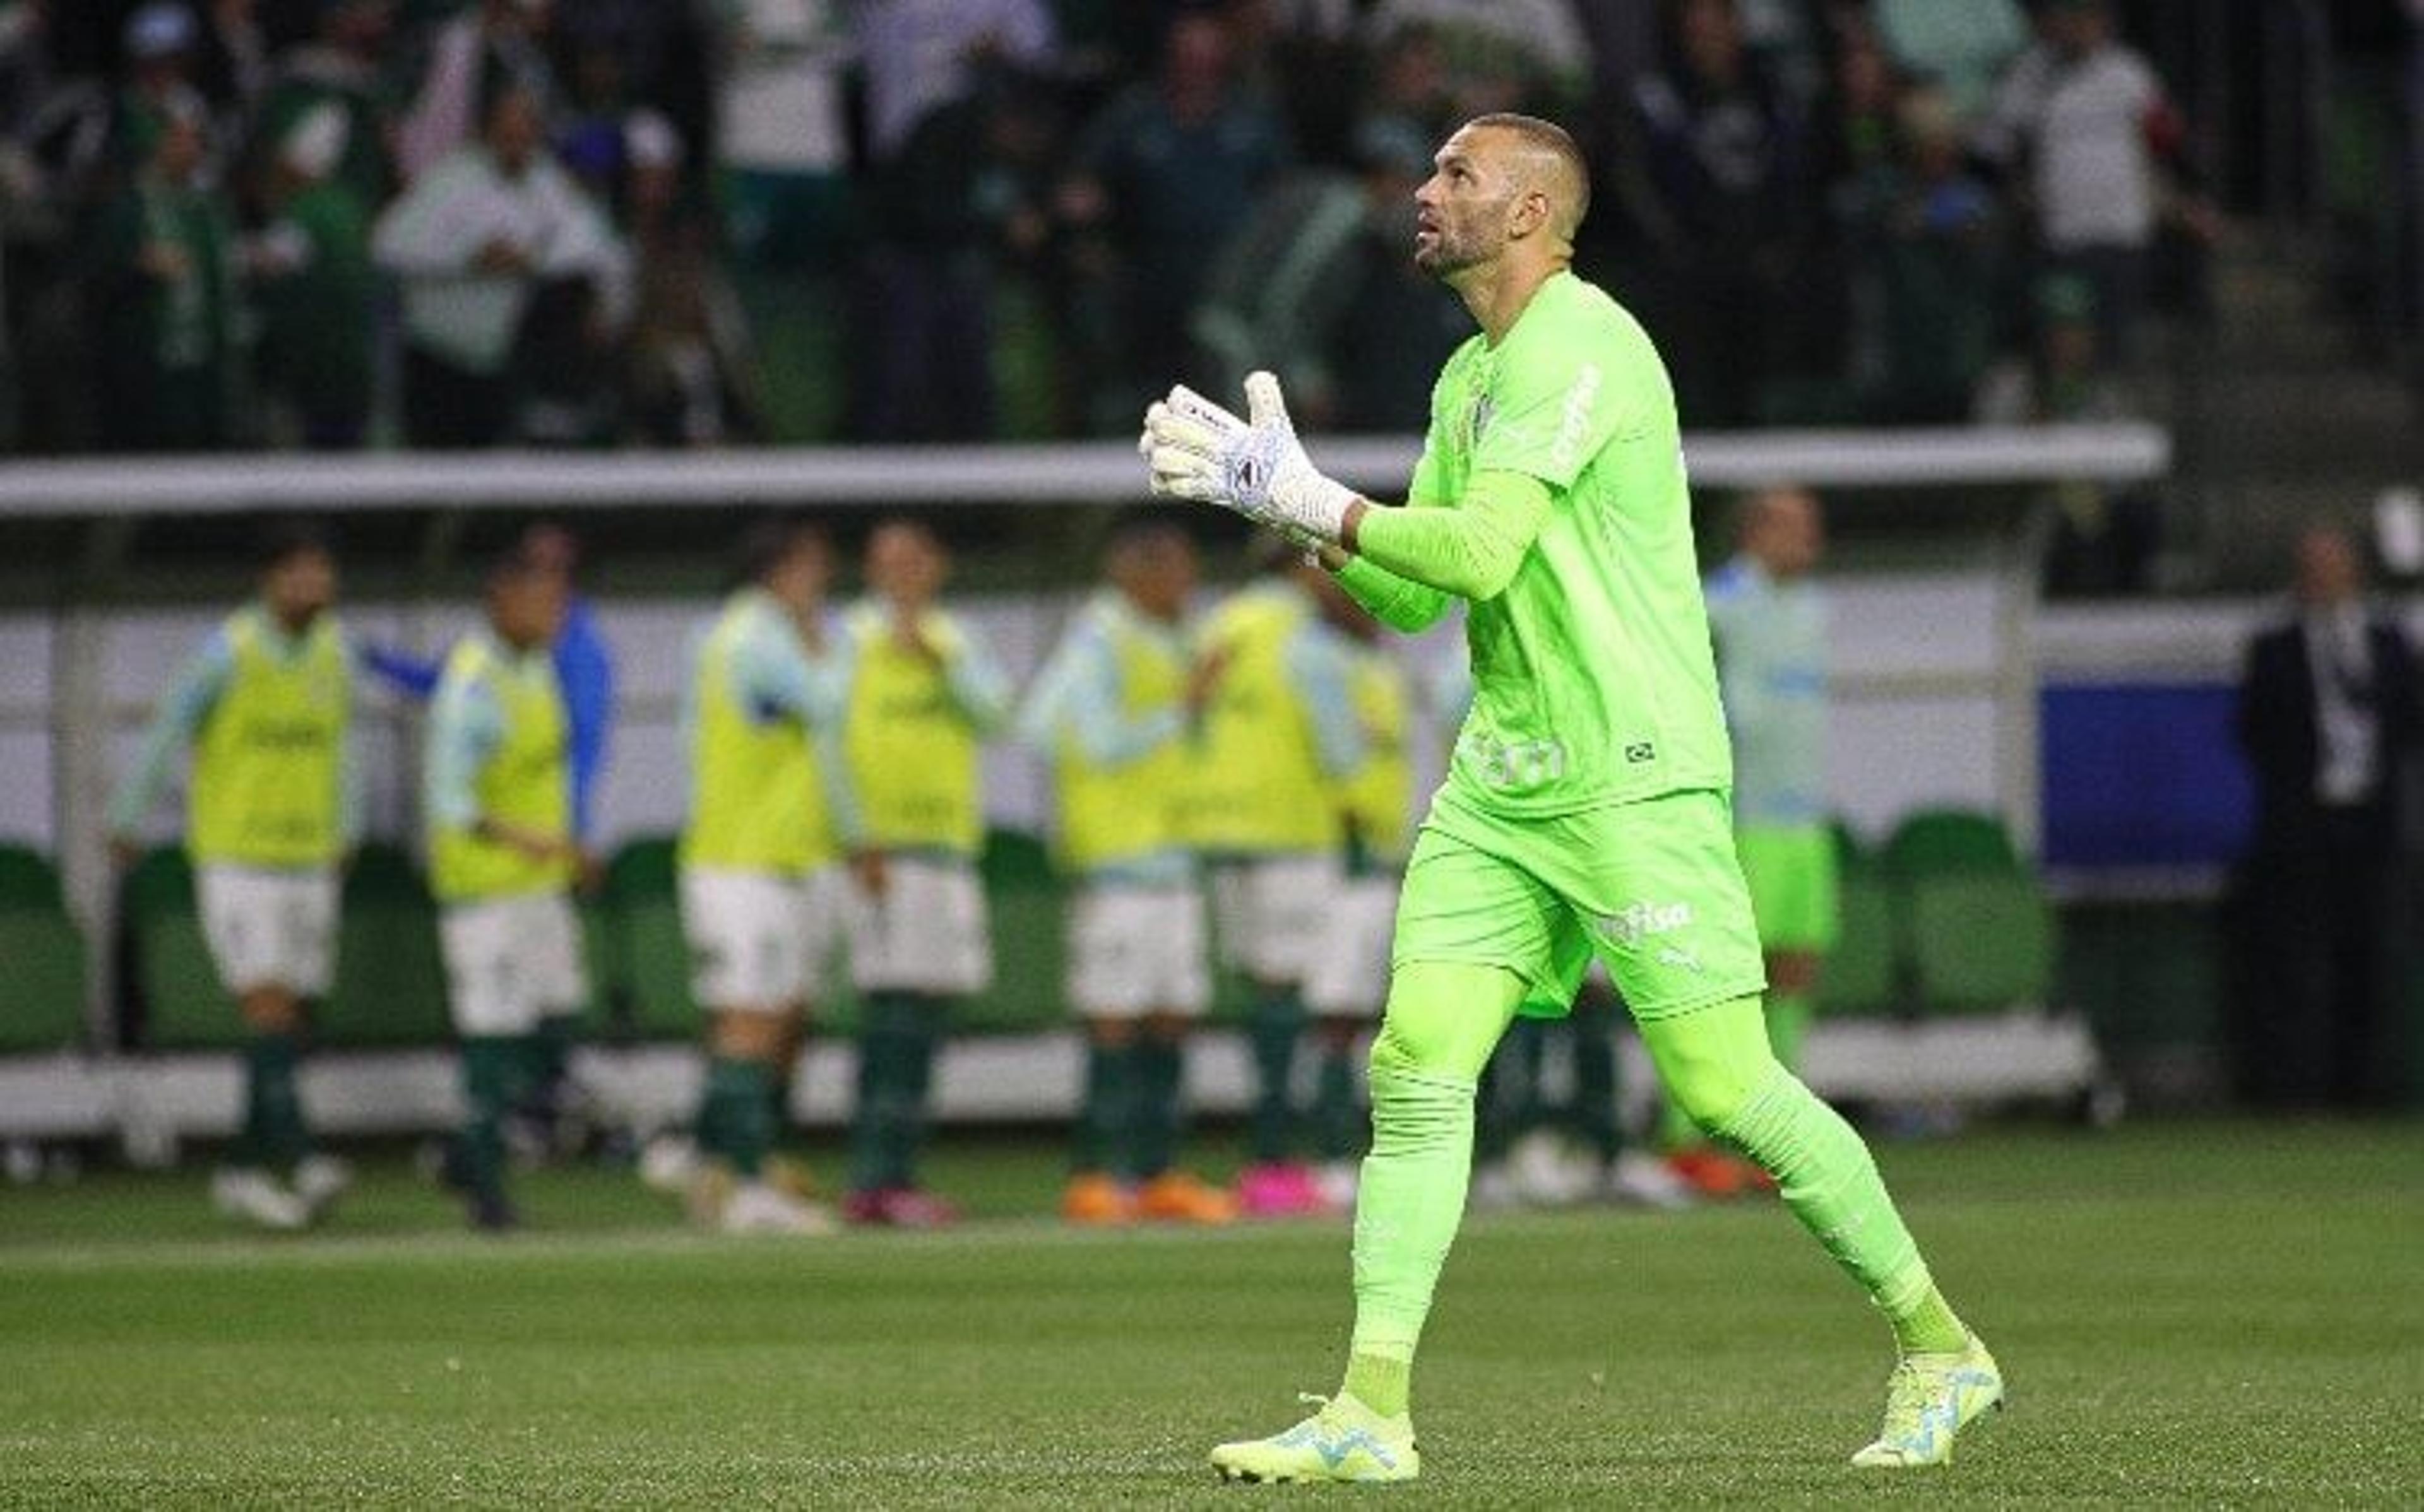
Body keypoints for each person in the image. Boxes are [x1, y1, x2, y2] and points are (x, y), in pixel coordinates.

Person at [1140, 111, 1999, 1480]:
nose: (1423, 193)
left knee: (1725, 1088)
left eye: (1454, 175)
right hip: (1504, 779)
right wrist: (1293, 515)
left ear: (1532, 212)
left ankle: (1940, 1345)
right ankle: (1371, 1412)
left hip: (1632, 770)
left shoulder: (1583, 344)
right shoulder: (1467, 374)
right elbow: (1417, 597)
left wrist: (1317, 498)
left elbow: (1479, 554)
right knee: (1416, 1065)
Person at [108, 521, 358, 1232]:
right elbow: (168, 728)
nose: (317, 586)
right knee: (268, 1004)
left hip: (310, 855)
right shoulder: (228, 652)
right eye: (302, 573)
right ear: (271, 580)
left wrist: (348, 825)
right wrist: (127, 815)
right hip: (239, 858)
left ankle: (243, 1167)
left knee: (296, 1012)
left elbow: (347, 747)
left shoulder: (337, 653)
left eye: (324, 573)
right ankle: (301, 1153)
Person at [1019, 513, 1237, 1226]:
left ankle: (1156, 1173)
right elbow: (1064, 731)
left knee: (1172, 1019)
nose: (1190, 582)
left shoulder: (1172, 638)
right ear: (1133, 573)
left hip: (1174, 861)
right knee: (1115, 1022)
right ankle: (1094, 1173)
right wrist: (1182, 709)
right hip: (1118, 868)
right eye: (1175, 568)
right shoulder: (1099, 638)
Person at [673, 519, 858, 1234]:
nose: (823, 584)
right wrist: (828, 642)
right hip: (743, 859)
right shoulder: (753, 639)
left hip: (787, 854)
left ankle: (713, 1159)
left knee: (780, 1015)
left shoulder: (749, 636)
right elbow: (832, 702)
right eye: (813, 568)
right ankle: (742, 1184)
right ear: (778, 572)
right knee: (750, 1016)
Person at [836, 518, 1014, 1226]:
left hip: (947, 849)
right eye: (888, 562)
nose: (903, 574)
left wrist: (939, 661)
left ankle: (898, 1175)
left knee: (929, 1015)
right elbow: (833, 742)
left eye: (914, 560)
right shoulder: (847, 641)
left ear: (936, 566)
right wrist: (858, 838)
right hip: (886, 852)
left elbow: (999, 716)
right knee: (893, 1015)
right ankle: (872, 1177)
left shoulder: (955, 641)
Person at [1660, 484, 1836, 1196]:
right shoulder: (1717, 604)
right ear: (1756, 531)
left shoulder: (1814, 610)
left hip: (1802, 823)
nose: (1810, 538)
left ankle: (1771, 1134)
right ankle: (1686, 1137)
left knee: (1795, 969)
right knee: (1725, 978)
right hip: (1741, 819)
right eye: (1796, 524)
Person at [1190, 543, 1367, 1218]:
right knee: (1314, 998)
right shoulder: (1306, 639)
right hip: (1295, 832)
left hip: (1224, 832)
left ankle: (1264, 1156)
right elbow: (1340, 747)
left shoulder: (1218, 626)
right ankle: (1303, 1156)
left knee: (1264, 995)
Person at [424, 546, 590, 1231]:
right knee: (493, 1036)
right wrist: (529, 838)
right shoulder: (473, 687)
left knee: (557, 1024)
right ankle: (486, 1190)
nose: (556, 614)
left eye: (561, 601)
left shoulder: (536, 667)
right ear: (501, 599)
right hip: (484, 893)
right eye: (542, 600)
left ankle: (464, 1151)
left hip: (539, 888)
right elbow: (451, 801)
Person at [2232, 525, 2420, 1109]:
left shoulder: (2388, 642)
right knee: (2300, 963)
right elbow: (2254, 730)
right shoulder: (2276, 647)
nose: (2321, 578)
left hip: (2372, 822)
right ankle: (2300, 1090)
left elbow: (2411, 721)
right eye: (2311, 566)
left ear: (2354, 571)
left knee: (2368, 956)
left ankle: (2363, 1086)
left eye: (2331, 566)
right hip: (2302, 828)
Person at [372, 85, 627, 449]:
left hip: (504, 363)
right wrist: (469, 259)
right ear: (487, 131)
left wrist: (531, 259)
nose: (516, 141)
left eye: (526, 132)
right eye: (507, 131)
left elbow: (594, 249)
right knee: (433, 470)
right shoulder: (452, 179)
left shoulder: (548, 183)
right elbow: (389, 245)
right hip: (438, 357)